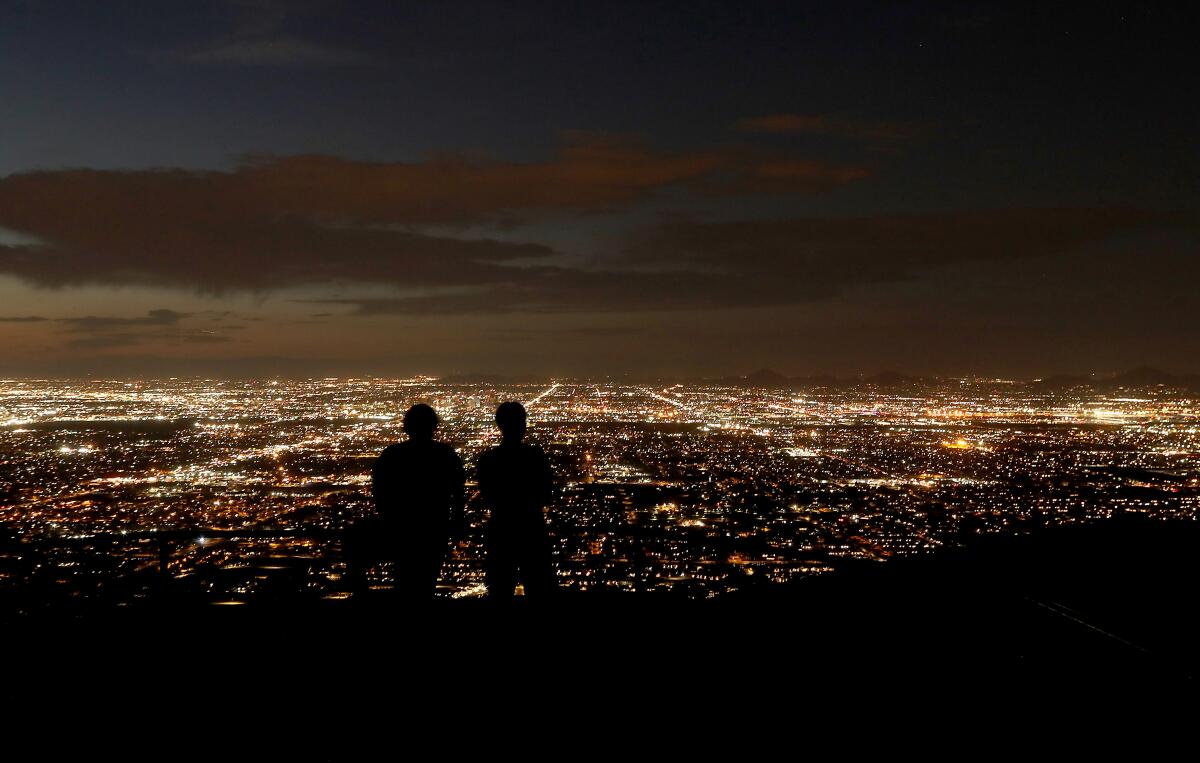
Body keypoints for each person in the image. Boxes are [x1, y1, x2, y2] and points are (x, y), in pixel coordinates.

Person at [370, 403, 465, 600]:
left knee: (403, 580)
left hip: (401, 528)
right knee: (427, 581)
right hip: (434, 526)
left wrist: (388, 520)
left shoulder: (392, 455)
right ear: (434, 426)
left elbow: (380, 493)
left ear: (407, 426)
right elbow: (458, 492)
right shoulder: (445, 455)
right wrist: (455, 523)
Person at [476, 401, 555, 600]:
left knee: (500, 588)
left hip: (501, 528)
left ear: (499, 425)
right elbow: (547, 493)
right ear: (523, 424)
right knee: (538, 587)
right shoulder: (536, 456)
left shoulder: (489, 459)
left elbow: (486, 495)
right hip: (532, 528)